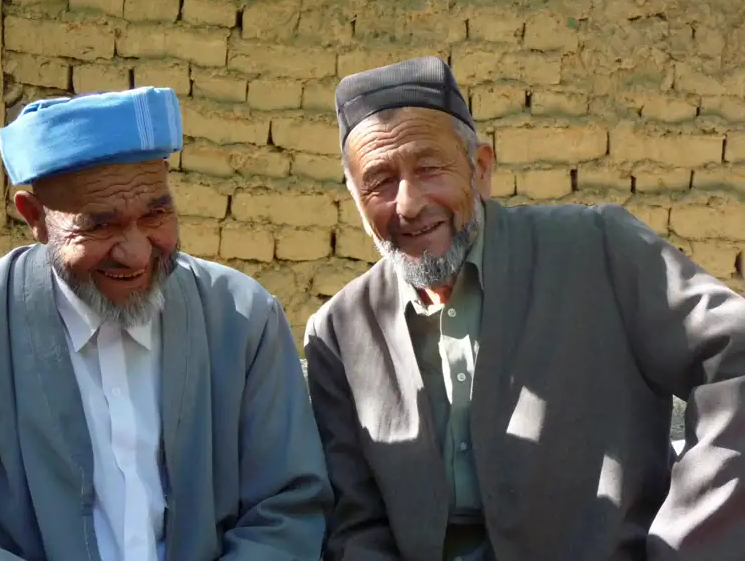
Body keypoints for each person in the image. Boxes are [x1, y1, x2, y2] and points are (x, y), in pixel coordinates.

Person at [304, 56, 745, 561]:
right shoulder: (339, 332)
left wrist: (689, 541)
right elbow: (357, 521)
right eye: (379, 181)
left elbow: (735, 359)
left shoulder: (598, 250)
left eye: (430, 168)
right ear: (355, 199)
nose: (406, 204)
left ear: (482, 169)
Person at [0, 87, 333, 561]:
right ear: (36, 217)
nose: (136, 253)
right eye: (100, 225)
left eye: (156, 214)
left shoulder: (244, 320)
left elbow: (287, 508)